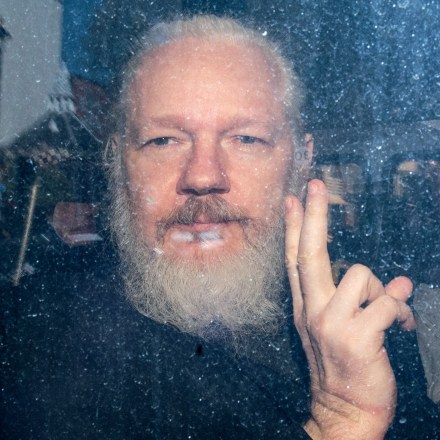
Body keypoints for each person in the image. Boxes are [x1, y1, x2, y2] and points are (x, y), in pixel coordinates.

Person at [1, 15, 438, 440]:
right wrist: (342, 422)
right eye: (163, 140)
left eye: (246, 139)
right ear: (117, 162)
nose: (203, 175)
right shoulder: (46, 362)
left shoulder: (364, 329)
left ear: (302, 160)